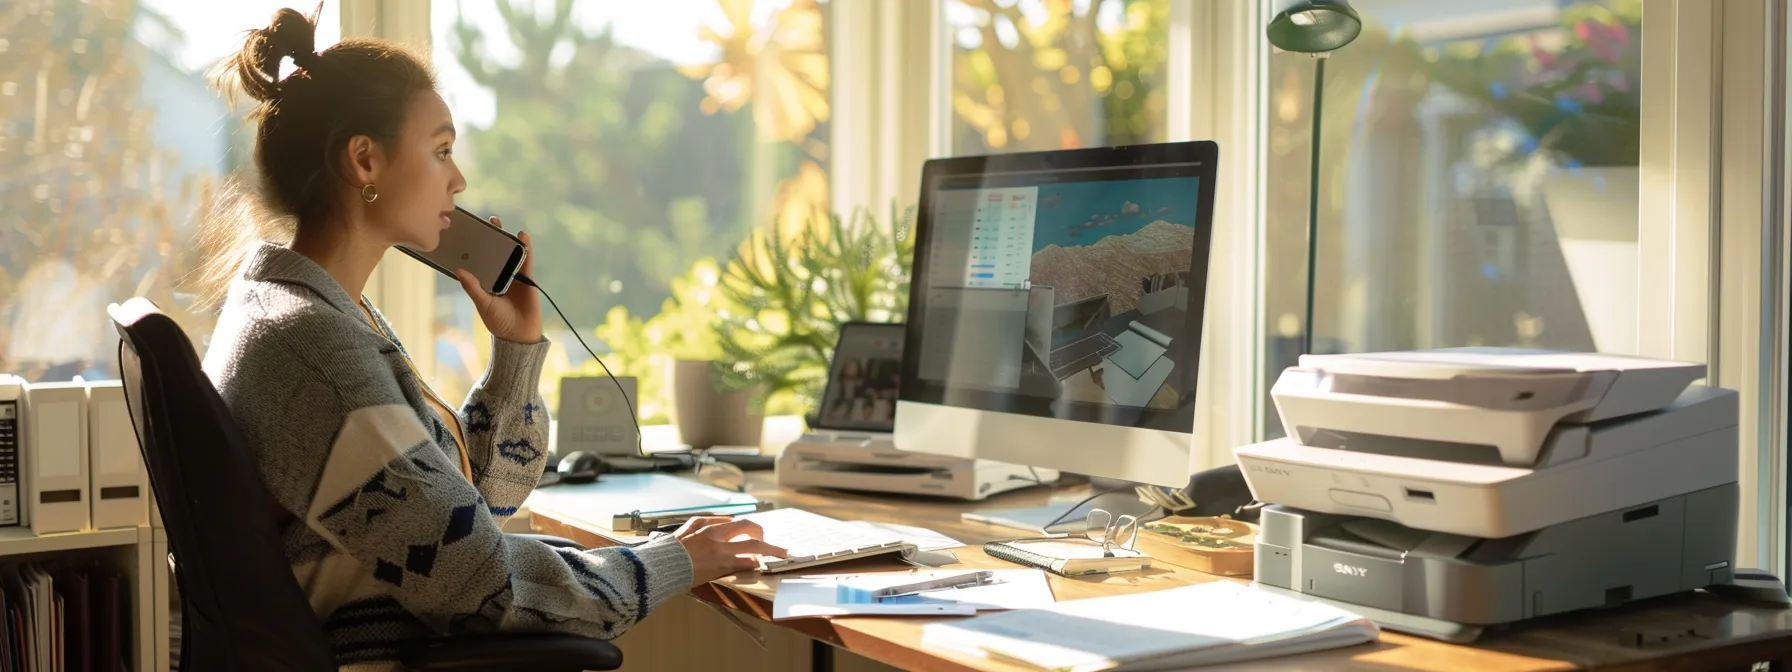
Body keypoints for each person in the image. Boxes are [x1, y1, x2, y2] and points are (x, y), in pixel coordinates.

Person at [195, 7, 783, 668]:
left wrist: (514, 354)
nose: (459, 179)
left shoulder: (311, 313)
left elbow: (476, 502)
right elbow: (486, 588)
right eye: (441, 150)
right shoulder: (316, 351)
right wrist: (679, 559)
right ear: (365, 158)